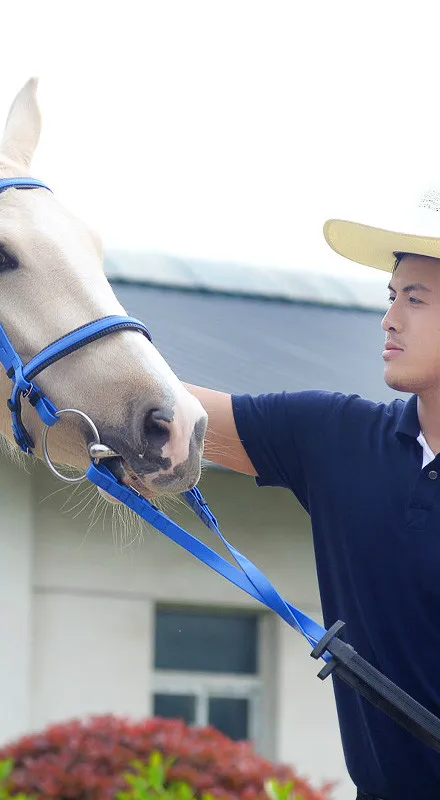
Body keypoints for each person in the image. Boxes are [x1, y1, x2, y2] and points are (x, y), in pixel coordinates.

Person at [184, 191, 440, 800]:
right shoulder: (336, 439)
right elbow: (170, 414)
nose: (390, 319)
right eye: (391, 296)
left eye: (415, 300)